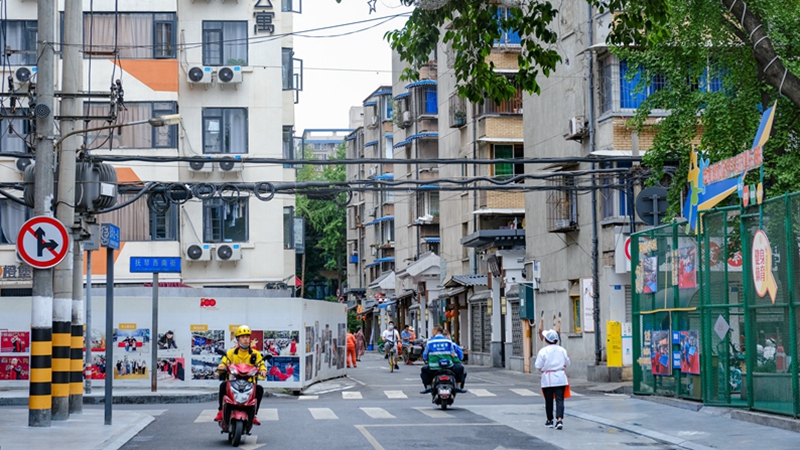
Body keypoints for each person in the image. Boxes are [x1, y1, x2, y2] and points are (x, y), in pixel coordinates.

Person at [215, 325, 267, 425]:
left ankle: (254, 414)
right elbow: (224, 362)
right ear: (238, 339)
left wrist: (263, 370)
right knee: (223, 386)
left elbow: (261, 364)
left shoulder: (255, 353)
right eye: (242, 337)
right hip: (234, 380)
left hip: (250, 382)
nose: (245, 340)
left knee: (259, 389)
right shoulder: (230, 353)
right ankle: (221, 410)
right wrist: (221, 367)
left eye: (247, 337)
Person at [535, 329, 570, 430]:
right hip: (560, 377)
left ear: (546, 340)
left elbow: (538, 365)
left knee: (549, 400)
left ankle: (549, 420)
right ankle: (559, 419)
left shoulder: (543, 351)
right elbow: (567, 362)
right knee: (560, 400)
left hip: (548, 378)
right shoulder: (562, 350)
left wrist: (544, 368)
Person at [420, 325, 465, 393]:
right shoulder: (448, 341)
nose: (432, 332)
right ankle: (458, 387)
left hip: (433, 368)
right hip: (449, 366)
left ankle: (428, 387)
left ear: (436, 331)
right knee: (460, 368)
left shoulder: (429, 342)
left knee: (424, 370)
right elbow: (452, 354)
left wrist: (427, 359)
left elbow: (425, 355)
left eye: (433, 331)